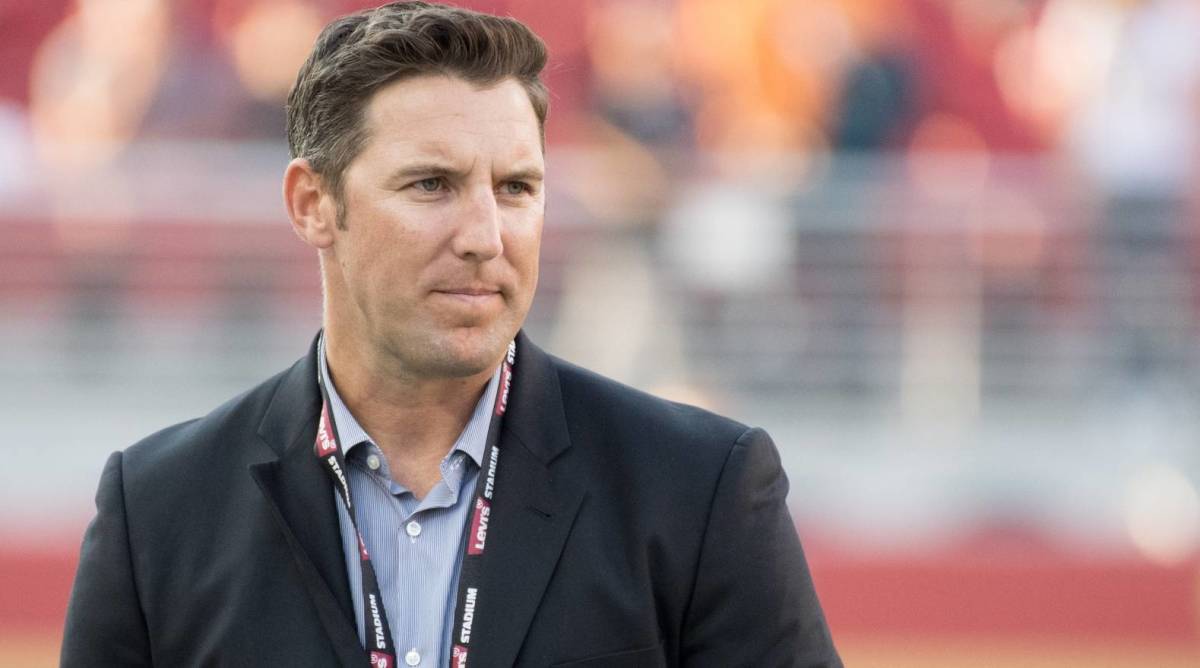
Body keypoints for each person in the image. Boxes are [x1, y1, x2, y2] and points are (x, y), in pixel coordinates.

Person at [60, 2, 841, 666]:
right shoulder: (159, 511)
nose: (484, 235)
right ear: (312, 205)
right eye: (431, 184)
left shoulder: (701, 492)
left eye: (515, 188)